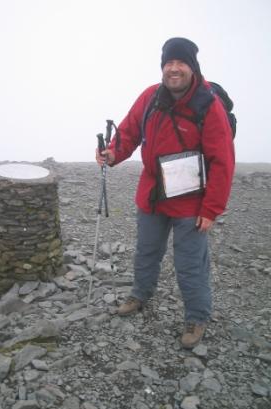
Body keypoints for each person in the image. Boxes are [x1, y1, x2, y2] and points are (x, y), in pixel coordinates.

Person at [96, 37, 235, 349]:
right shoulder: (150, 97)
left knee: (189, 263)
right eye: (168, 63)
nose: (174, 68)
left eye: (181, 63)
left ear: (192, 67)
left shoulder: (208, 106)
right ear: (163, 67)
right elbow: (129, 132)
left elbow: (223, 161)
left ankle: (197, 317)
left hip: (190, 202)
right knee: (146, 252)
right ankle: (140, 295)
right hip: (152, 195)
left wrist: (211, 209)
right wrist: (113, 154)